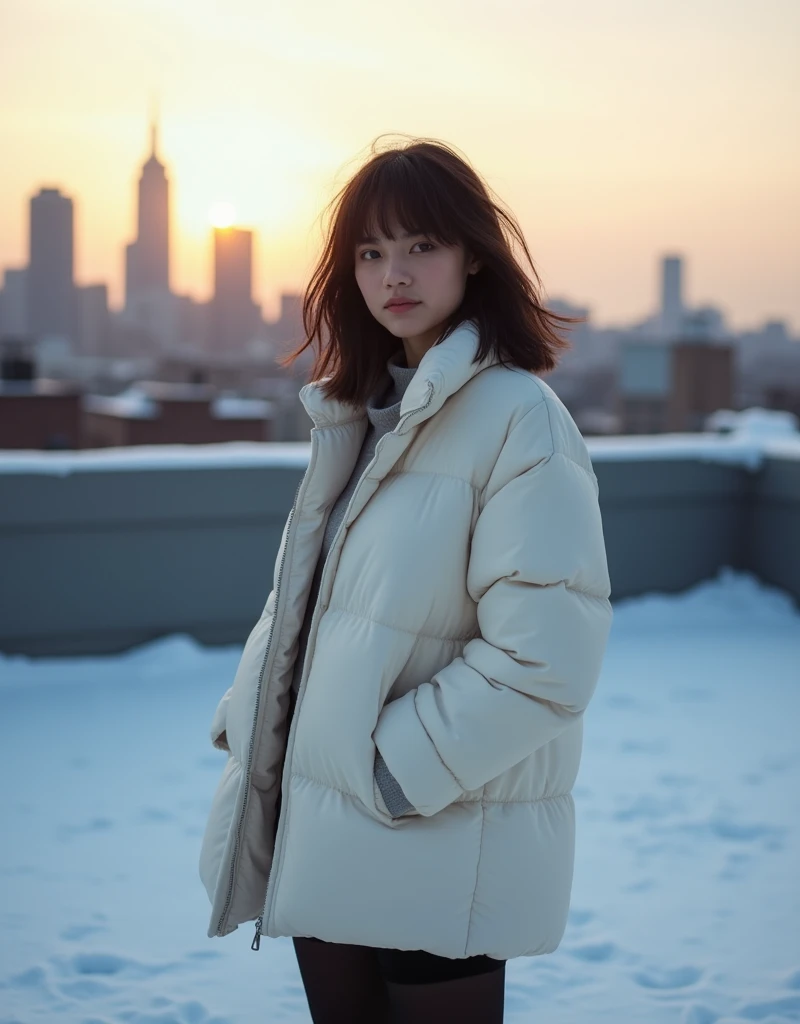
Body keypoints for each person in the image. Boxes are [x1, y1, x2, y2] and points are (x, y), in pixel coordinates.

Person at [199, 135, 613, 1024]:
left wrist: (390, 773)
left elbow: (547, 660)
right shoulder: (357, 412)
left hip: (432, 827)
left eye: (421, 244)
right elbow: (311, 604)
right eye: (371, 251)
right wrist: (256, 717)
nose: (396, 272)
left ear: (473, 254)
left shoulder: (520, 420)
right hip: (323, 820)